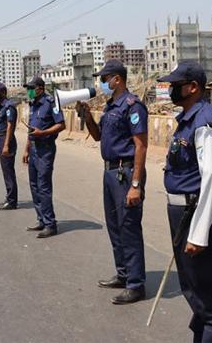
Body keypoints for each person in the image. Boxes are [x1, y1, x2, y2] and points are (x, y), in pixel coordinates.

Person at [158, 61, 212, 342]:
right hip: (182, 211)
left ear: (193, 88)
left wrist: (199, 233)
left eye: (176, 84)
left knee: (210, 295)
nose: (171, 89)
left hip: (196, 212)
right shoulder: (190, 119)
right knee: (193, 287)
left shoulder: (206, 122)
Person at [77, 59, 148, 304]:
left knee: (128, 228)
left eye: (105, 79)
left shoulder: (133, 106)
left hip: (125, 172)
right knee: (114, 226)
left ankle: (136, 284)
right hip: (109, 172)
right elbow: (97, 136)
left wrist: (136, 184)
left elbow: (141, 145)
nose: (102, 83)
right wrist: (87, 117)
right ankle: (123, 273)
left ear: (117, 79)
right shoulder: (110, 107)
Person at [23, 76, 66, 238]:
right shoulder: (33, 105)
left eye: (31, 88)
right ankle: (41, 219)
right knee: (34, 185)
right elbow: (30, 129)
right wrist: (26, 149)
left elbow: (61, 125)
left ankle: (50, 224)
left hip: (45, 149)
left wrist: (44, 133)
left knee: (43, 186)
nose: (29, 91)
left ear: (40, 88)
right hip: (33, 149)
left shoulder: (50, 103)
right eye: (28, 89)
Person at [0, 82, 18, 210]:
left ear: (4, 92)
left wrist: (6, 145)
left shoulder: (9, 106)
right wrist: (0, 146)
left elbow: (10, 126)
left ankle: (12, 201)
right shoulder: (1, 106)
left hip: (7, 140)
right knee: (6, 172)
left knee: (8, 172)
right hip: (2, 140)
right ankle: (9, 198)